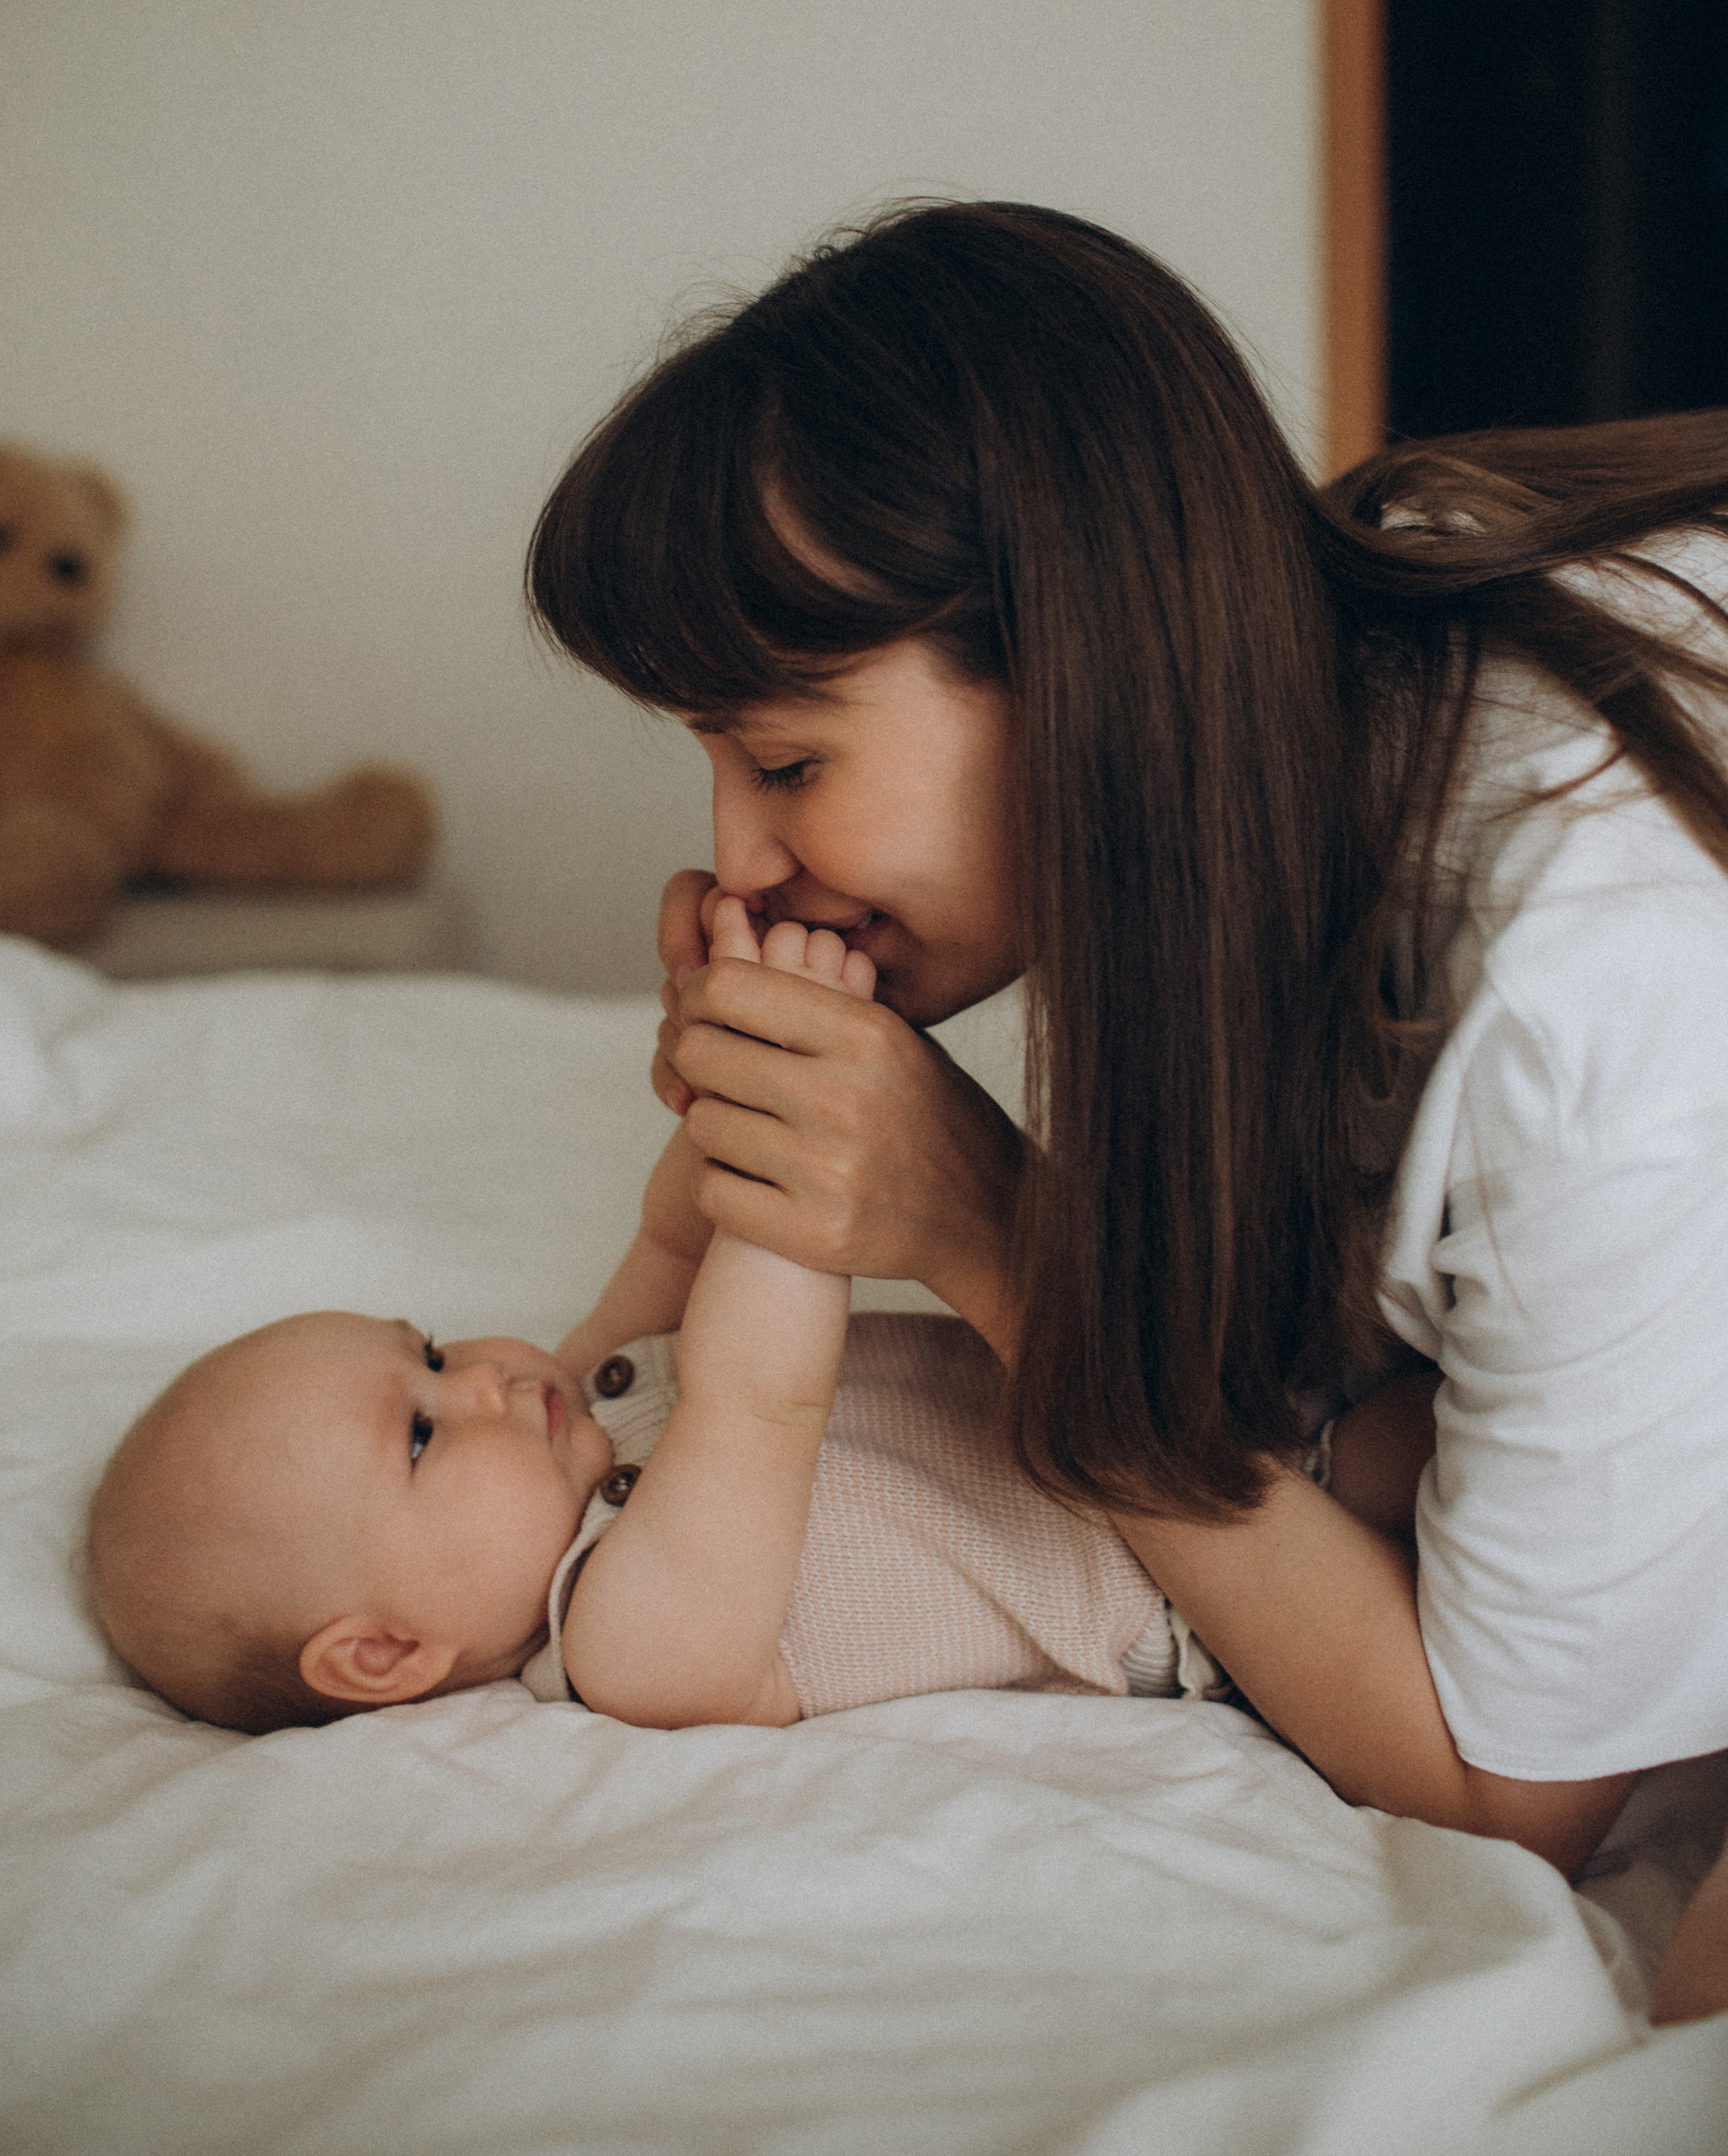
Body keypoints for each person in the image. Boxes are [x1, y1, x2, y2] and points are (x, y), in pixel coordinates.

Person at [524, 198, 1728, 2013]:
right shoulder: (1312, 691)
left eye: (785, 760)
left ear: (1069, 665)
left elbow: (1505, 1789)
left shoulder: (1592, 975)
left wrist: (985, 1226)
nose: (736, 859)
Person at [90, 901, 1242, 1735]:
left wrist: (740, 1058)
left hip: (1168, 1393)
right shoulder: (631, 1648)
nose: (480, 1379)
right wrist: (806, 1113)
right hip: (1180, 1584)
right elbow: (758, 1403)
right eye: (423, 1434)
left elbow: (677, 1240)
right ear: (385, 1652)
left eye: (432, 1353)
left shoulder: (586, 1403)